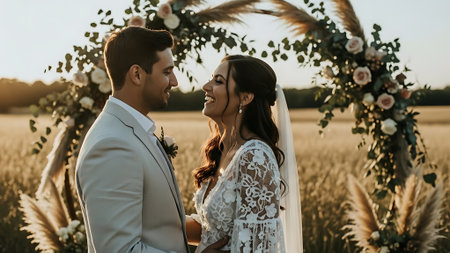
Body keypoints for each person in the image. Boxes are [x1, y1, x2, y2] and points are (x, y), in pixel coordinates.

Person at [75, 26, 189, 252]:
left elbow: (159, 224)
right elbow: (120, 250)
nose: (174, 81)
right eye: (167, 72)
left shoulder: (130, 131)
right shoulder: (112, 146)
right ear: (137, 74)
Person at [186, 55, 294, 252]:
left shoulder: (255, 158)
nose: (206, 86)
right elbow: (212, 231)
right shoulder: (223, 149)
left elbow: (258, 247)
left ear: (245, 97)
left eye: (218, 81)